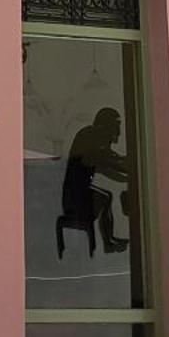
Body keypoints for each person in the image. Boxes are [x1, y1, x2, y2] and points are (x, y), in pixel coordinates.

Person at [61, 107, 130, 257]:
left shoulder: (94, 137)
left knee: (107, 197)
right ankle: (108, 242)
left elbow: (109, 161)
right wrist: (128, 172)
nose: (118, 131)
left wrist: (126, 173)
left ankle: (109, 241)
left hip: (78, 191)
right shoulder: (92, 137)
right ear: (105, 125)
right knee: (106, 198)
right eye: (116, 126)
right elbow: (107, 162)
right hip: (74, 197)